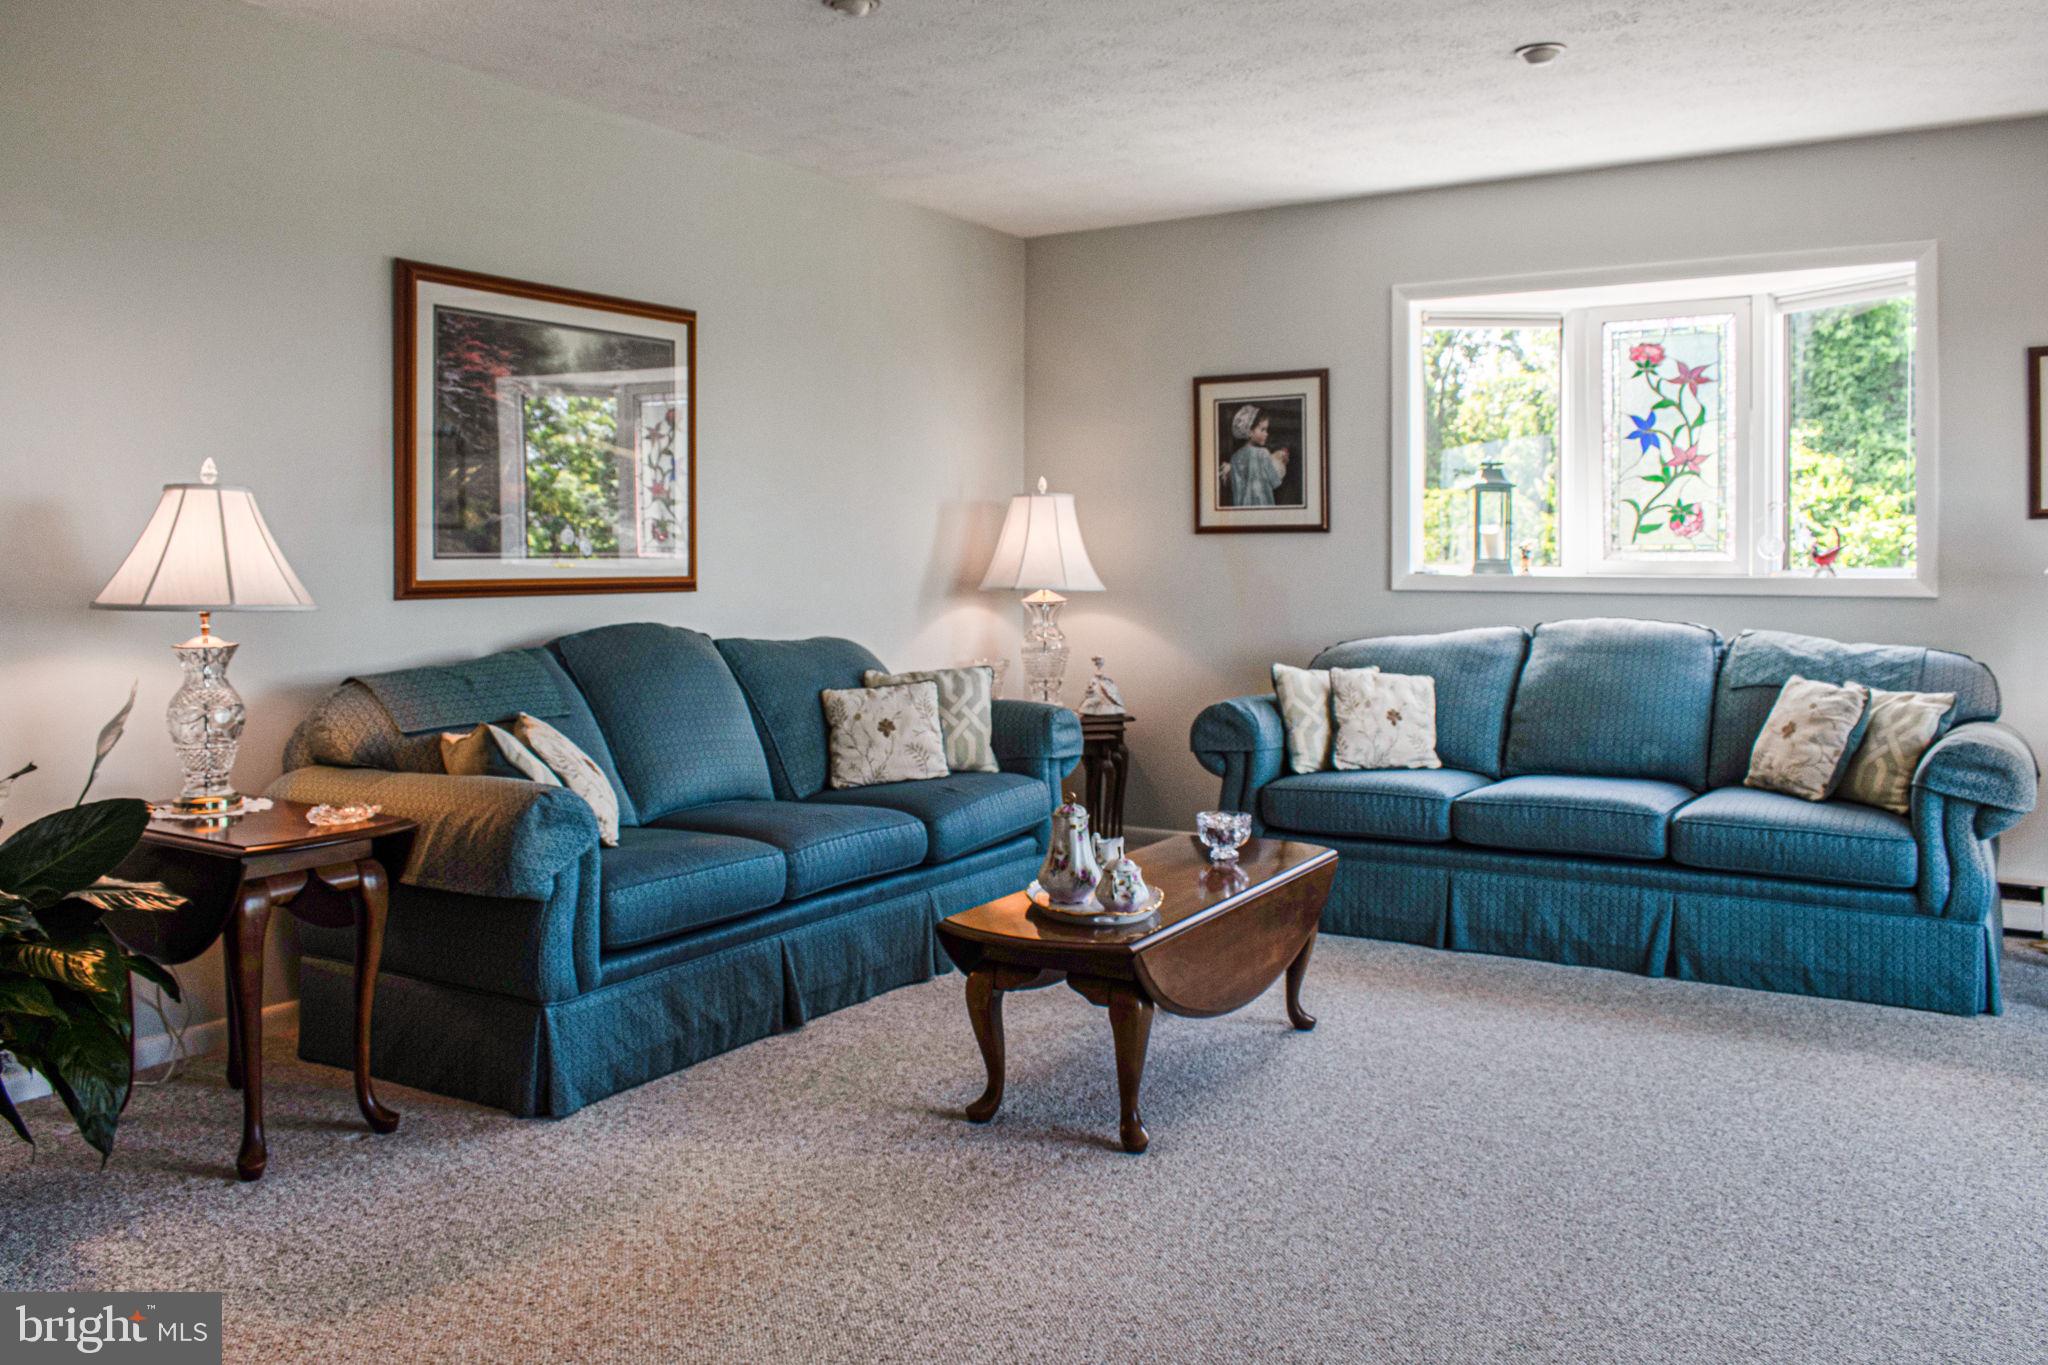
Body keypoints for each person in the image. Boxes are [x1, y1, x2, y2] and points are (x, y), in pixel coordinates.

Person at [1222, 404, 1290, 507]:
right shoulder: (1263, 453)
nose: (1266, 434)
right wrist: (1282, 464)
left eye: (1266, 430)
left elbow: (1235, 487)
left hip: (1241, 511)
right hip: (1262, 508)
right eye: (1263, 430)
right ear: (1249, 432)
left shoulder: (1234, 458)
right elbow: (1275, 482)